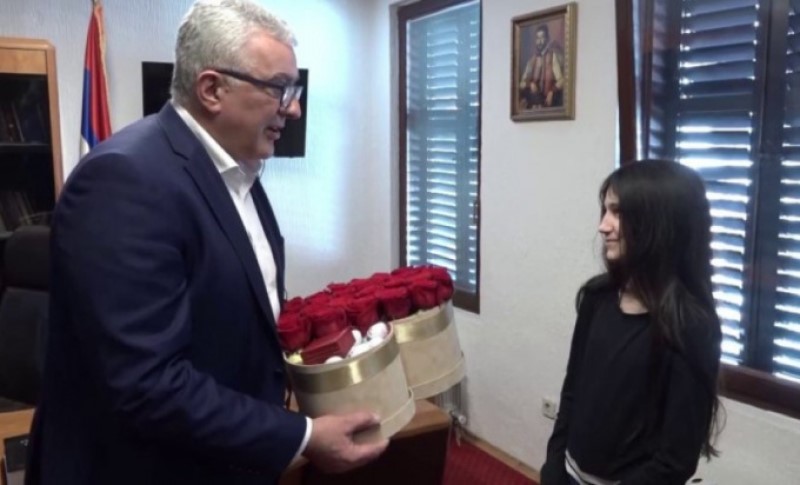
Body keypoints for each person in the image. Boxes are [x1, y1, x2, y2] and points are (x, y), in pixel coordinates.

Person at [25, 1, 387, 484]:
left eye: (294, 89)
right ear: (212, 89)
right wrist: (301, 436)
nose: (294, 107)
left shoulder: (239, 171)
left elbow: (236, 312)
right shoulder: (125, 179)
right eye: (279, 88)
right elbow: (147, 383)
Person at [540, 160, 723, 484]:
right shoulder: (596, 298)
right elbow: (572, 390)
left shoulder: (690, 327)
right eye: (605, 210)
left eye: (617, 212)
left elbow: (676, 459)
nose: (603, 226)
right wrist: (554, 463)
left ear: (658, 224)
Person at [519, 24, 565, 109]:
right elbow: (521, 83)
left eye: (542, 37)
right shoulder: (531, 61)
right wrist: (530, 84)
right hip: (534, 102)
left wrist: (552, 91)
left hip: (549, 103)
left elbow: (562, 80)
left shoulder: (552, 56)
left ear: (547, 38)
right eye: (537, 38)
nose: (539, 41)